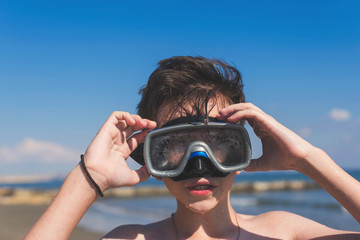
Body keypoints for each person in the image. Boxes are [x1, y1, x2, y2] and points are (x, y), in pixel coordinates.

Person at [25, 56, 360, 240]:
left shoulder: (286, 233)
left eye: (218, 140)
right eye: (174, 143)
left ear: (240, 146)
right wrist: (90, 177)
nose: (199, 162)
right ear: (150, 155)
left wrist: (307, 159)